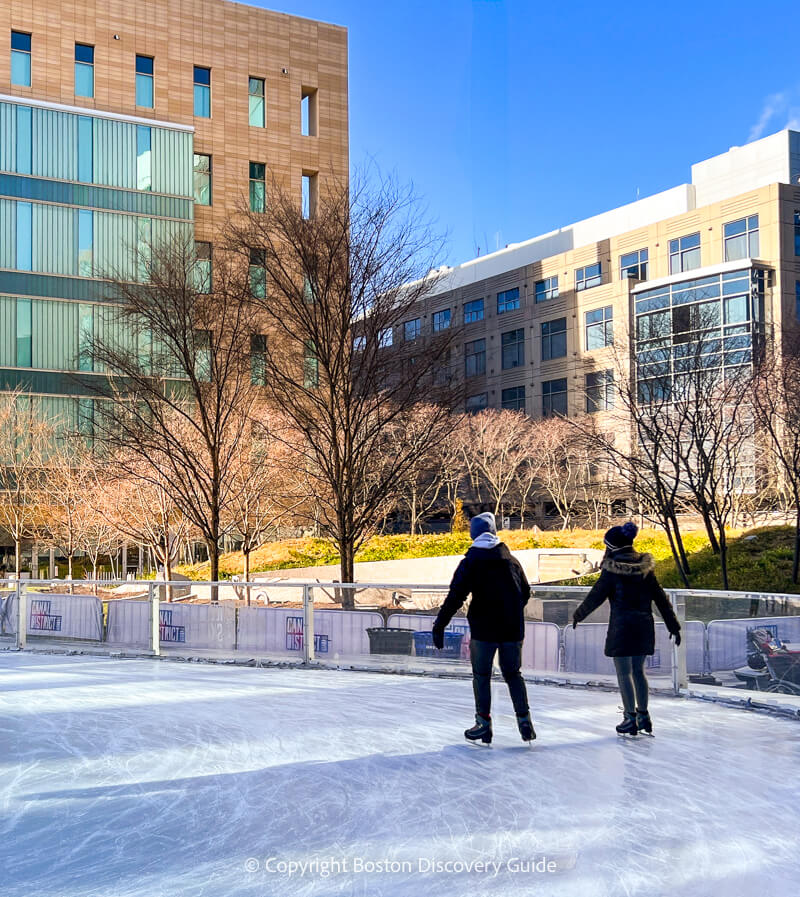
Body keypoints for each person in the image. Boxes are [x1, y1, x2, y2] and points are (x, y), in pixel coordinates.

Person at [432, 512, 534, 744]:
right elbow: (525, 592)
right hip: (512, 629)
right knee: (513, 674)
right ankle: (524, 721)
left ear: (474, 533)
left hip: (484, 629)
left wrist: (440, 625)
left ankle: (483, 723)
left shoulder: (471, 562)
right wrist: (510, 611)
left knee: (481, 676)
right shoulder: (511, 561)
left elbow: (456, 596)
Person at [572, 522, 681, 736]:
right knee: (639, 671)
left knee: (624, 673)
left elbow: (596, 596)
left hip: (622, 627)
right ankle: (643, 715)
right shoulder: (645, 569)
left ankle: (629, 717)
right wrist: (673, 625)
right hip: (643, 626)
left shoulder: (611, 570)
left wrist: (578, 615)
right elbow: (660, 598)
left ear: (611, 546)